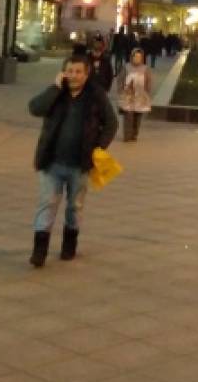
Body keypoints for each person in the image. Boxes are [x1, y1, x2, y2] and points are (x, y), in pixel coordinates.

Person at [27, 53, 117, 267]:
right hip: (52, 162)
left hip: (80, 164)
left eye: (78, 72)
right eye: (69, 71)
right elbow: (34, 108)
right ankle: (39, 250)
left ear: (87, 74)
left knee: (74, 207)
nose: (73, 76)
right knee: (46, 203)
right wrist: (54, 88)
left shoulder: (96, 95)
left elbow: (111, 124)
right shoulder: (57, 93)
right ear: (63, 72)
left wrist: (98, 148)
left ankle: (69, 245)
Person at [117, 46, 153, 142]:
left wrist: (148, 93)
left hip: (140, 97)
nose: (137, 58)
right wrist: (120, 90)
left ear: (142, 58)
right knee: (128, 116)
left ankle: (134, 134)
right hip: (128, 96)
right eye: (135, 56)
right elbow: (120, 79)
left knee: (137, 117)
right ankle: (127, 135)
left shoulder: (146, 69)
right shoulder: (126, 67)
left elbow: (149, 82)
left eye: (139, 57)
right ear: (131, 57)